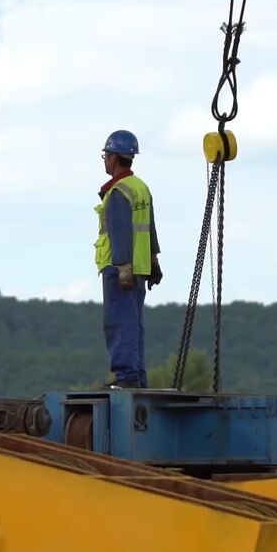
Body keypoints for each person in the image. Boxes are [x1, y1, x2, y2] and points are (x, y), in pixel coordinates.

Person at [95, 130, 162, 389]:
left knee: (118, 321)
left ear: (113, 158)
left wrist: (123, 267)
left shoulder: (117, 191)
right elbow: (149, 228)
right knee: (134, 323)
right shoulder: (140, 188)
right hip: (141, 266)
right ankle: (136, 376)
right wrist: (154, 261)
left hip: (119, 268)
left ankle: (125, 377)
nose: (105, 160)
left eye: (105, 155)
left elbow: (120, 231)